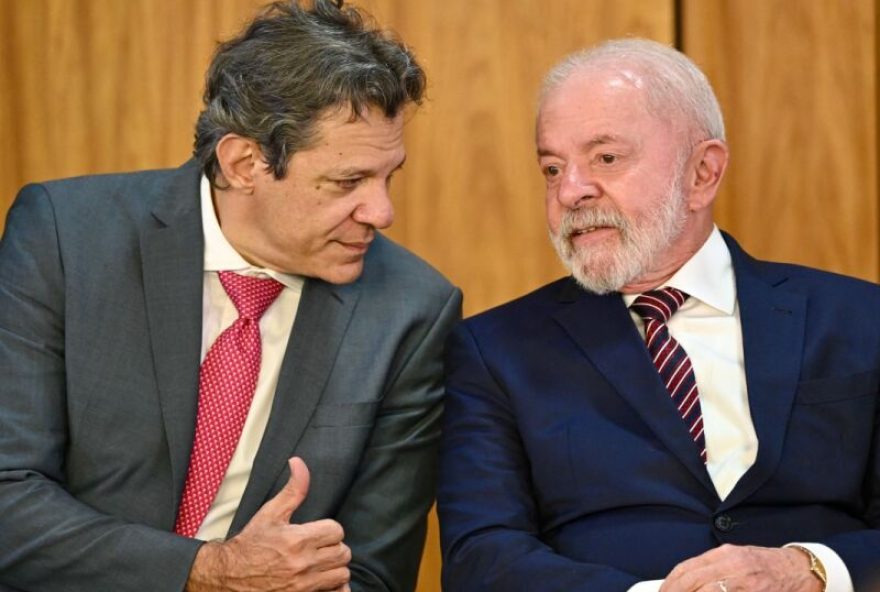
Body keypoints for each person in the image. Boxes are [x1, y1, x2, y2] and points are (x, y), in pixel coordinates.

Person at [0, 1, 461, 591]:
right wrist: (207, 572)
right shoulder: (67, 240)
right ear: (245, 163)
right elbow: (9, 497)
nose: (382, 212)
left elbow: (374, 573)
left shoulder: (411, 310)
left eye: (387, 176)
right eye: (347, 182)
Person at [438, 38, 879, 592]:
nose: (570, 191)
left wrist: (811, 570)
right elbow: (481, 556)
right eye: (552, 168)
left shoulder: (862, 319)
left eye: (606, 158)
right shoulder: (495, 350)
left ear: (703, 173)